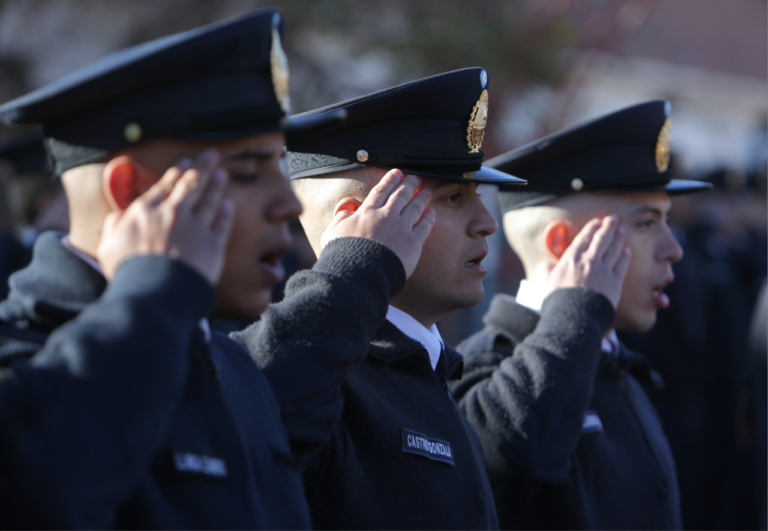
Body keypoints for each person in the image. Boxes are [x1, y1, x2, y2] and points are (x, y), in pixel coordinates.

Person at [0, 9, 432, 528]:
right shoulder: (22, 355)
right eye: (248, 172)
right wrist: (154, 296)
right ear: (133, 193)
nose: (288, 205)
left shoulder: (232, 369)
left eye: (279, 167)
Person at [232, 67, 526, 530]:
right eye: (452, 197)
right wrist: (359, 268)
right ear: (355, 227)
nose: (487, 221)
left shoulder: (428, 370)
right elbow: (257, 419)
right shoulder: (321, 372)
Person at [450, 101, 711, 529]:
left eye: (666, 220)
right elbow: (520, 452)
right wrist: (579, 313)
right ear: (562, 245)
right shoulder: (482, 367)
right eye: (647, 224)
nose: (674, 249)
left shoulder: (618, 366)